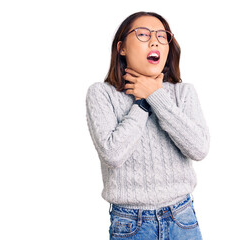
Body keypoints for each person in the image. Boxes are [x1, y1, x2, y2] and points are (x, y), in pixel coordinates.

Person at [85, 11, 210, 240]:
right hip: (131, 225)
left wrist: (156, 95)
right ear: (121, 47)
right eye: (143, 34)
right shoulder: (101, 94)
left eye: (162, 36)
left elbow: (199, 149)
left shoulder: (183, 92)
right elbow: (112, 154)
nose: (155, 41)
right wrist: (141, 103)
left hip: (182, 219)